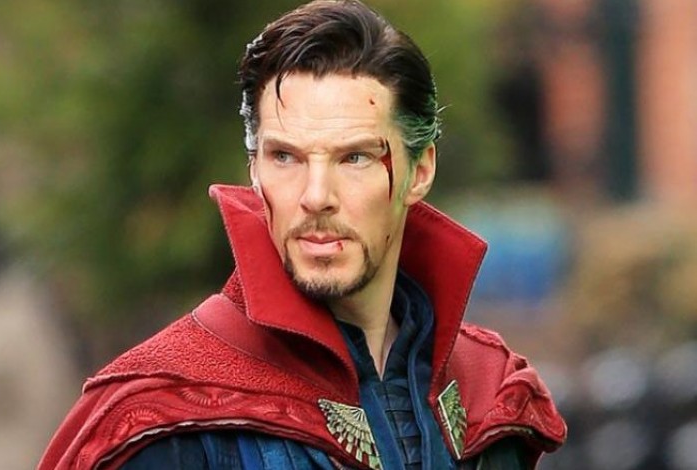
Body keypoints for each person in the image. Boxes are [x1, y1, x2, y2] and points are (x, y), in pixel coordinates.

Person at [39, 1, 566, 468]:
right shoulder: (166, 416)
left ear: (420, 170)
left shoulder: (485, 394)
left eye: (354, 157)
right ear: (254, 169)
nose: (316, 196)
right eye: (285, 157)